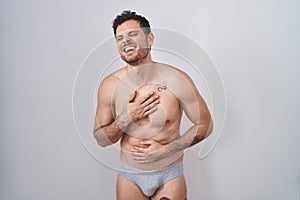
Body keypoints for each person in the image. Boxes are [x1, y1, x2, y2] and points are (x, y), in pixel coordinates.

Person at [93, 10, 213, 200]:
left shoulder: (177, 79)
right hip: (130, 176)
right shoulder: (109, 85)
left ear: (150, 39)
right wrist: (127, 118)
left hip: (169, 175)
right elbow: (101, 138)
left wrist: (166, 150)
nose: (125, 41)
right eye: (120, 38)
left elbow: (205, 124)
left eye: (133, 34)